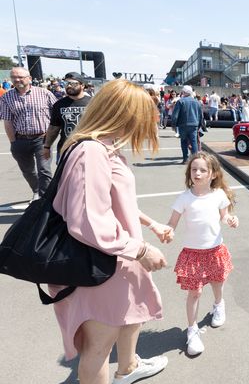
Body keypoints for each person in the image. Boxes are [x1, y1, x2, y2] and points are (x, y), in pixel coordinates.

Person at [52, 79, 171, 384]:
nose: (148, 122)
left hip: (115, 259)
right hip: (104, 266)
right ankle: (124, 369)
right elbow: (90, 221)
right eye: (144, 115)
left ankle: (128, 367)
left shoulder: (103, 147)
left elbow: (118, 203)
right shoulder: (92, 151)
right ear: (123, 113)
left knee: (129, 317)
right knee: (98, 350)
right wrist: (142, 249)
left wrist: (150, 225)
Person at [165, 152, 239, 356]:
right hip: (193, 255)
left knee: (217, 283)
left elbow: (225, 216)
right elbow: (172, 222)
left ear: (213, 174)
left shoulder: (218, 195)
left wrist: (231, 220)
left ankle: (218, 305)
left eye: (202, 170)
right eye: (194, 169)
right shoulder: (184, 198)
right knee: (194, 293)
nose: (197, 173)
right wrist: (169, 231)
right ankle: (192, 331)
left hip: (215, 250)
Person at [0, 67, 56, 201]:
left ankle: (45, 200)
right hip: (20, 140)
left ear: (29, 78)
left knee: (44, 170)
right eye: (14, 77)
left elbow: (56, 115)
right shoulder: (7, 97)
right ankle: (36, 190)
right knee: (28, 171)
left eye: (20, 77)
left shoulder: (45, 93)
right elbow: (7, 121)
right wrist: (13, 142)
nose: (17, 80)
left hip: (42, 139)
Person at [43, 72, 92, 163]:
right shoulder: (59, 104)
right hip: (65, 149)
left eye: (73, 83)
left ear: (82, 85)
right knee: (65, 176)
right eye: (66, 83)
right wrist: (47, 146)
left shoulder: (93, 103)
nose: (69, 86)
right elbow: (53, 128)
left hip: (89, 149)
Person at [172, 85, 204, 164]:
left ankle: (185, 159)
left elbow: (175, 115)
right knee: (194, 142)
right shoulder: (197, 102)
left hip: (183, 124)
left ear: (184, 92)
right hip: (194, 125)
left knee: (183, 141)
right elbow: (201, 115)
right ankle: (195, 160)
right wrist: (200, 125)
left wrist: (174, 125)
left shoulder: (180, 101)